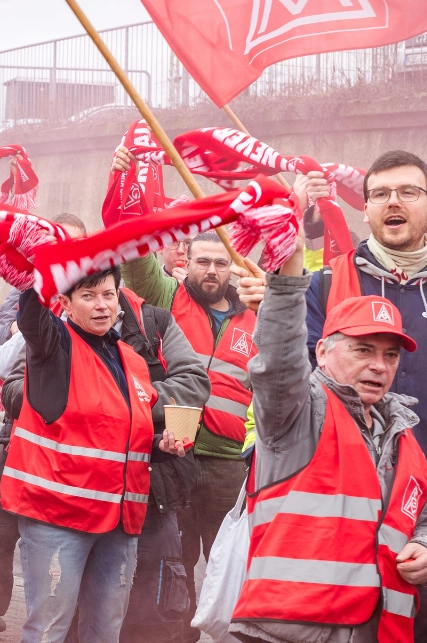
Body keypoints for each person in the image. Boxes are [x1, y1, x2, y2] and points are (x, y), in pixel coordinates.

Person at [304, 151, 427, 639]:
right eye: (379, 194)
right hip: (331, 513)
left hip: (425, 526)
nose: (392, 201)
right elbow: (290, 396)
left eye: (408, 192)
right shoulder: (325, 287)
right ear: (366, 210)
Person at [227, 240, 427, 643]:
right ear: (323, 352)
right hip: (290, 632)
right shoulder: (299, 409)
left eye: (391, 355)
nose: (379, 366)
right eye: (363, 350)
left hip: (376, 631)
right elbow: (278, 361)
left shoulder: (401, 432)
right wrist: (287, 278)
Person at [0, 268, 159, 643]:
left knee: (104, 633)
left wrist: (162, 443)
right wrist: (43, 270)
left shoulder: (132, 361)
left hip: (119, 522)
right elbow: (33, 319)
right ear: (65, 304)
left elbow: (123, 433)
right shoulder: (55, 346)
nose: (102, 305)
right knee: (48, 631)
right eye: (88, 296)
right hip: (58, 517)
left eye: (108, 294)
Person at [120, 229, 256, 641]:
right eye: (203, 261)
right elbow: (135, 264)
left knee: (228, 565)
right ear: (186, 261)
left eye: (220, 262)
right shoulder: (168, 297)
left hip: (230, 465)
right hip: (175, 456)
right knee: (172, 566)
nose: (211, 270)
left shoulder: (256, 315)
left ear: (232, 268)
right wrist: (138, 211)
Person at [0, 213, 87, 643]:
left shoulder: (100, 304)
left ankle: (59, 628)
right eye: (57, 246)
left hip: (74, 453)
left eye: (75, 247)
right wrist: (26, 326)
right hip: (17, 441)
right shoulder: (24, 294)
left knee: (64, 547)